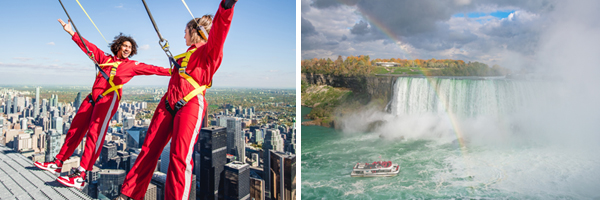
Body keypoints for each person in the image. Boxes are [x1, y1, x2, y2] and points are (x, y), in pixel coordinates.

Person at [118, 0, 237, 199]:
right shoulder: (183, 57)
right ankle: (129, 194)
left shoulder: (209, 52)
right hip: (168, 103)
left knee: (179, 157)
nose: (183, 35)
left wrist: (226, 7)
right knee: (148, 149)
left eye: (185, 31)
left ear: (194, 31)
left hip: (190, 104)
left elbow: (219, 33)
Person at [34, 18, 170, 190]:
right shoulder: (104, 58)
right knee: (75, 129)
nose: (128, 49)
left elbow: (153, 69)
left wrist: (174, 71)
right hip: (93, 97)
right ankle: (58, 162)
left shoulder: (131, 66)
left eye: (130, 47)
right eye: (125, 46)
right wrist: (71, 32)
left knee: (95, 134)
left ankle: (81, 174)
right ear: (118, 46)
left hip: (108, 98)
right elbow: (87, 46)